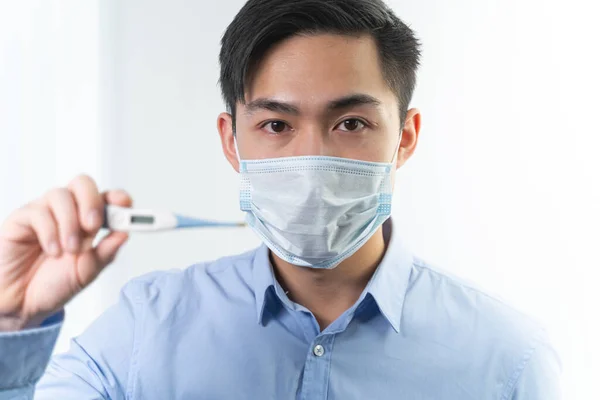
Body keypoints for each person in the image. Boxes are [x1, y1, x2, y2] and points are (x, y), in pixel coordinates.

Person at [0, 0, 561, 398]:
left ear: (405, 138)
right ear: (231, 140)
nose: (312, 158)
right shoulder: (143, 330)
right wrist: (12, 324)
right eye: (275, 124)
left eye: (350, 122)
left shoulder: (510, 361)